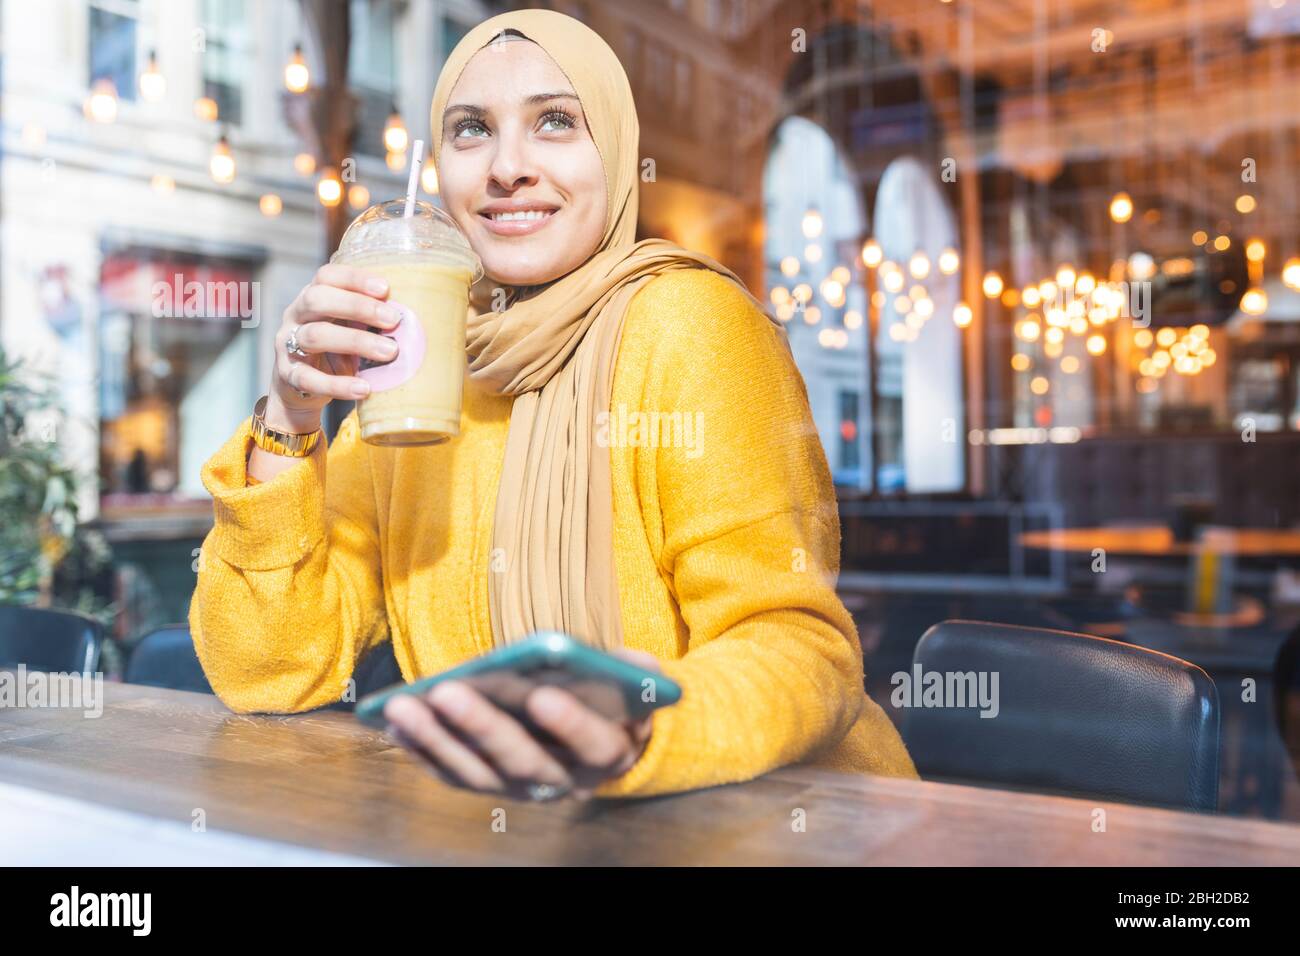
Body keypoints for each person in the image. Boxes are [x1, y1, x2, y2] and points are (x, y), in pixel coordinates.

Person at [190, 9, 916, 800]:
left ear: (613, 149)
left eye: (556, 123)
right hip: (525, 833)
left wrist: (643, 727)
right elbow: (268, 667)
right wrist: (291, 417)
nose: (507, 167)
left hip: (777, 827)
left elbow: (802, 651)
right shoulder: (427, 370)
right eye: (471, 130)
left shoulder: (690, 326)